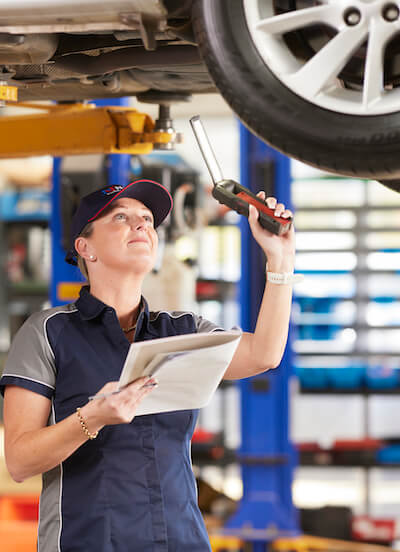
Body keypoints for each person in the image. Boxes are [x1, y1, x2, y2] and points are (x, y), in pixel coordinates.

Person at [0, 178, 296, 552]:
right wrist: (91, 418)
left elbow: (264, 355)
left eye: (146, 219)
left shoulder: (182, 332)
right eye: (121, 217)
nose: (141, 224)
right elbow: (20, 461)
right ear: (84, 247)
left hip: (179, 541)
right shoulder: (48, 332)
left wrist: (280, 260)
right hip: (87, 541)